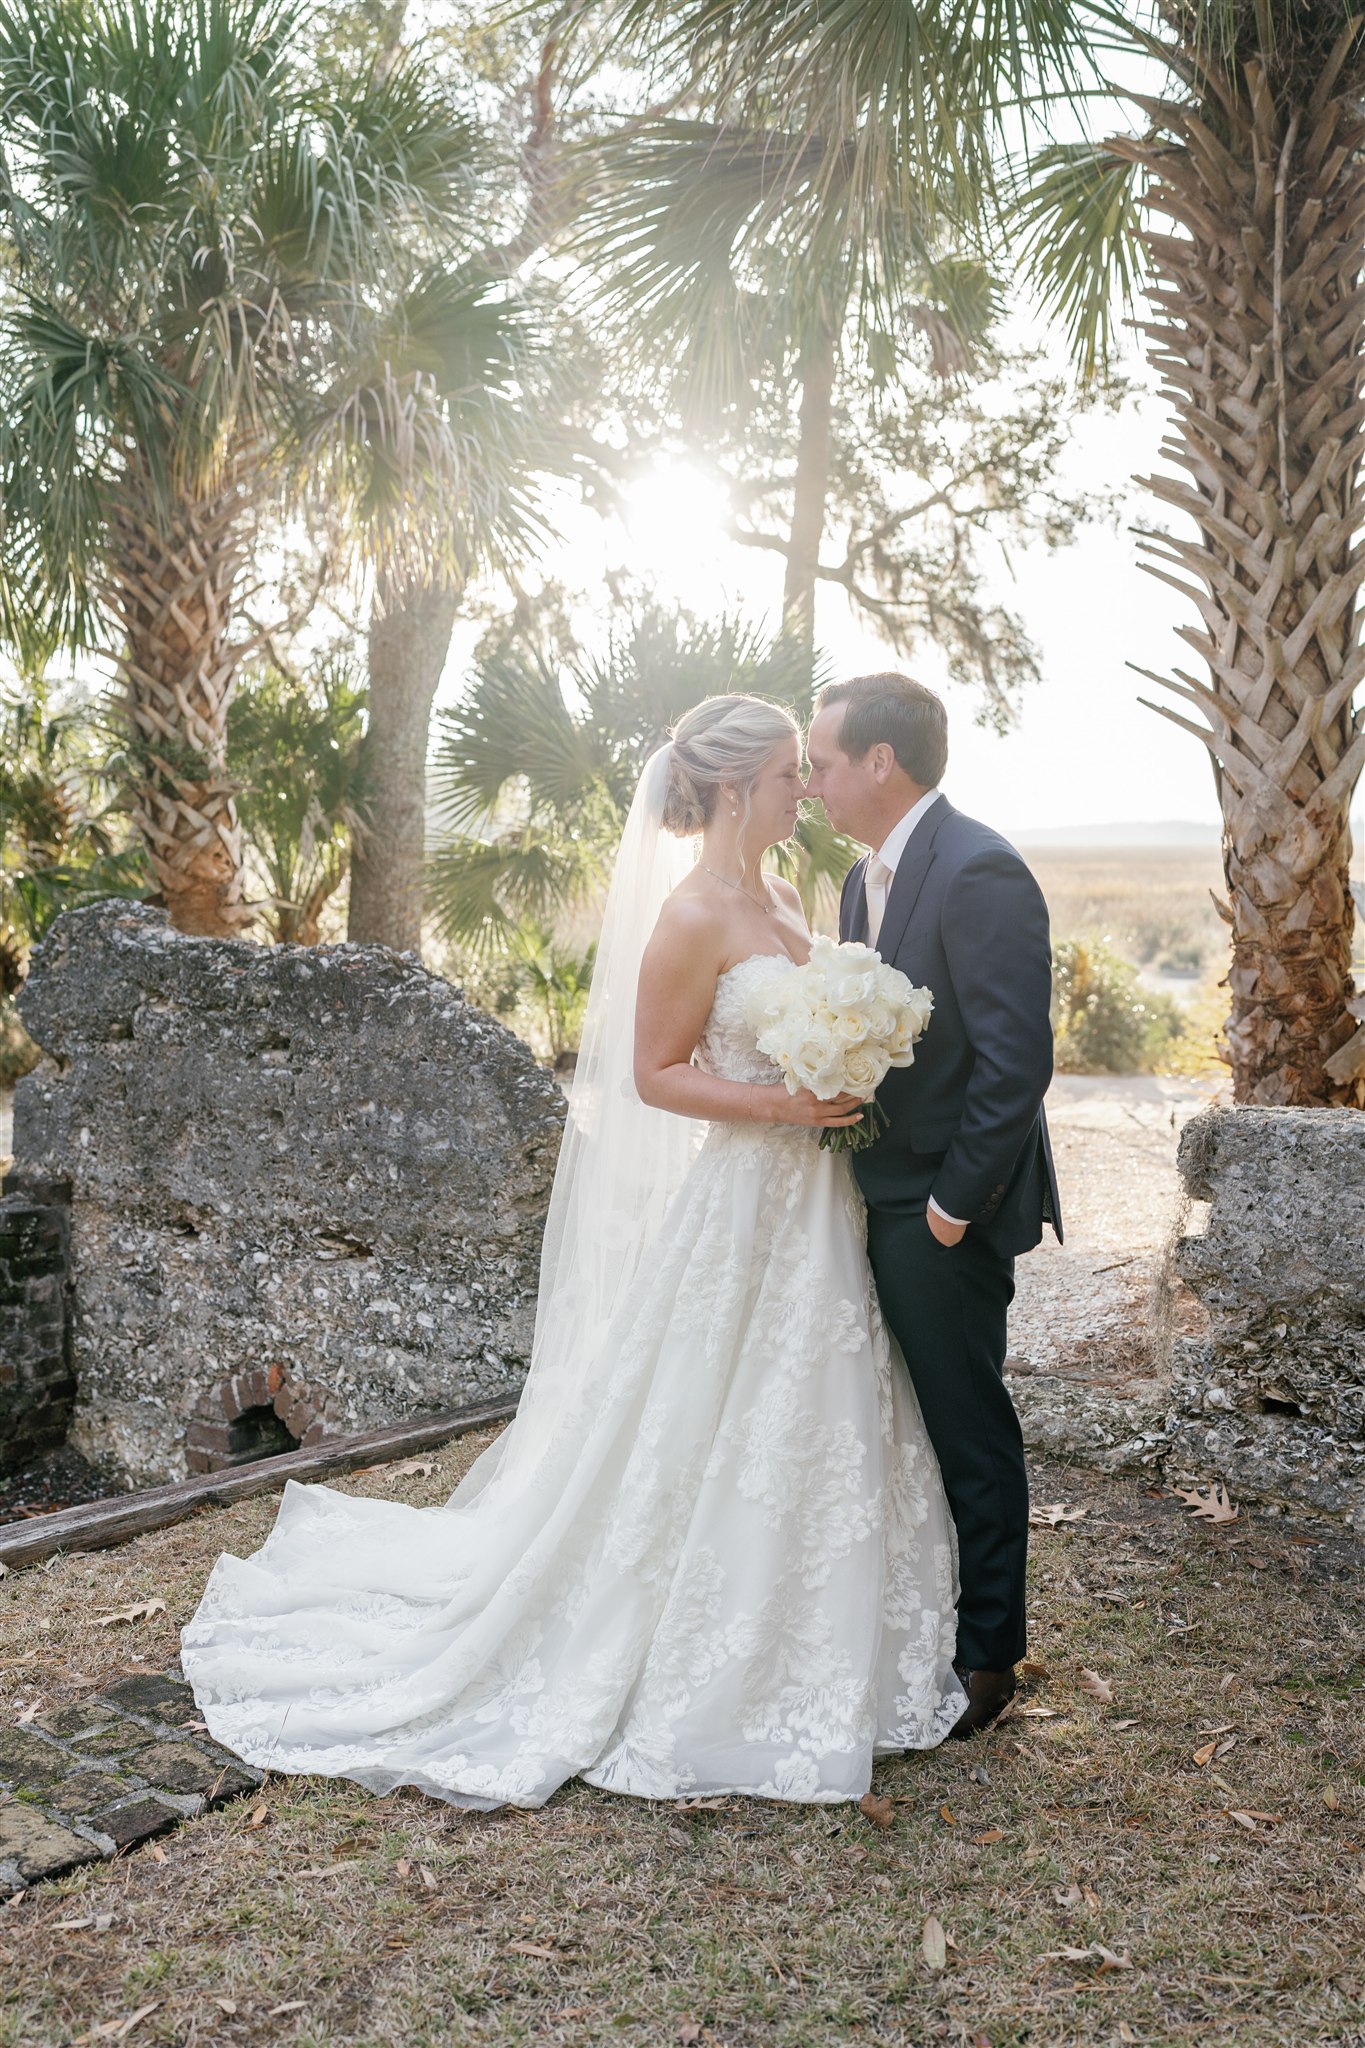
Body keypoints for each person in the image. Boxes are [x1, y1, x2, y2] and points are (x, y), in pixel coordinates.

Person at [179, 693, 967, 1810]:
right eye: (792, 771)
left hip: (823, 1201)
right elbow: (654, 1074)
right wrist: (784, 1105)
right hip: (749, 1193)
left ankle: (832, 1631)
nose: (807, 787)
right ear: (735, 786)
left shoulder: (791, 893)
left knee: (825, 1397)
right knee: (710, 1412)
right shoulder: (691, 914)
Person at [806, 672, 1063, 1736]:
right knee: (900, 1423)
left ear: (881, 761)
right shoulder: (860, 879)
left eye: (822, 763)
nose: (812, 783)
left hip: (940, 1206)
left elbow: (1016, 1060)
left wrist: (955, 1207)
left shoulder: (977, 867)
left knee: (966, 1424)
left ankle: (988, 1658)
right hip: (871, 1188)